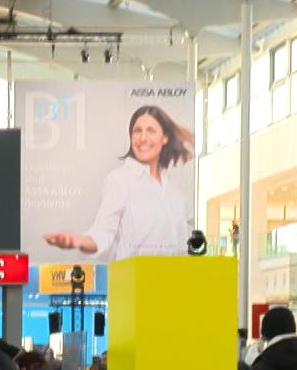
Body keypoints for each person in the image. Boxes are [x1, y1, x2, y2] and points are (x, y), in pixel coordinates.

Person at [42, 104, 195, 262]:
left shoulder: (175, 192)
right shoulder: (120, 181)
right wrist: (81, 241)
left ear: (165, 138)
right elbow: (103, 232)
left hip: (176, 281)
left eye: (151, 131)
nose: (143, 138)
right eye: (137, 131)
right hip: (134, 283)